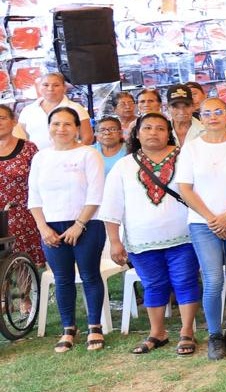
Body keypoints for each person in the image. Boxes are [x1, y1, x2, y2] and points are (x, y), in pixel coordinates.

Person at [102, 113, 200, 356]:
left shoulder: (186, 158)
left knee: (184, 281)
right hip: (142, 239)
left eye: (160, 128)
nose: (153, 132)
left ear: (169, 133)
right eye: (147, 128)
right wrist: (115, 241)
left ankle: (187, 332)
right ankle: (158, 332)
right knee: (153, 285)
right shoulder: (124, 165)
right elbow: (112, 205)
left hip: (185, 235)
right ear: (137, 133)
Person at [176, 98, 226, 360]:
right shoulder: (192, 148)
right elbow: (184, 188)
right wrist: (212, 218)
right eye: (206, 113)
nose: (212, 117)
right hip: (202, 223)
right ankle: (214, 334)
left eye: (218, 111)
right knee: (213, 279)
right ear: (200, 117)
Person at [27, 107, 106, 353]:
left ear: (76, 128)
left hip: (87, 224)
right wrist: (43, 228)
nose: (61, 129)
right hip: (51, 227)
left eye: (67, 124)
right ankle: (68, 329)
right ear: (49, 127)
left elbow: (96, 194)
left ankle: (95, 326)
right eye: (56, 124)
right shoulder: (40, 157)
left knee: (90, 275)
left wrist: (79, 224)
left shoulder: (88, 154)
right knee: (62, 279)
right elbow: (34, 197)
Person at [0, 105, 42, 265]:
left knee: (24, 264)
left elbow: (40, 180)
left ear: (14, 121)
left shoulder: (28, 148)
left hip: (23, 213)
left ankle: (27, 289)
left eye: (2, 118)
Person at [18, 73, 92, 148]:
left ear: (64, 88)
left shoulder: (76, 108)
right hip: (37, 158)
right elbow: (21, 137)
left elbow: (87, 138)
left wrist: (74, 155)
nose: (50, 89)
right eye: (45, 85)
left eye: (56, 85)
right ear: (38, 87)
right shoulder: (28, 110)